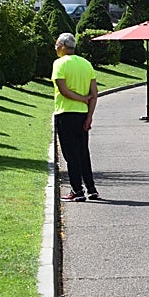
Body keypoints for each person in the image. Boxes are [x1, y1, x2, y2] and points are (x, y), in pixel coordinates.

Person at [52, 32, 100, 202]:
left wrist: (80, 98)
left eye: (57, 45)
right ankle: (91, 189)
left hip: (65, 113)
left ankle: (77, 190)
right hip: (82, 115)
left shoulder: (59, 64)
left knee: (71, 155)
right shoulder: (86, 64)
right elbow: (94, 94)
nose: (56, 48)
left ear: (63, 46)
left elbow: (63, 91)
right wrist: (89, 116)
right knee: (83, 153)